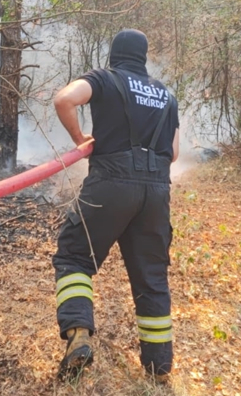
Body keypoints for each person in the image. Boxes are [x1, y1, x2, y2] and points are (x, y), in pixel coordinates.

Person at [51, 29, 180, 382]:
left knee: (75, 257)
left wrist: (80, 139)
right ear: (143, 57)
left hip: (111, 184)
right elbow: (174, 153)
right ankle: (158, 369)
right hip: (156, 192)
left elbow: (64, 100)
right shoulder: (166, 95)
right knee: (152, 277)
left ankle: (79, 334)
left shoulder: (104, 79)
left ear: (114, 54)